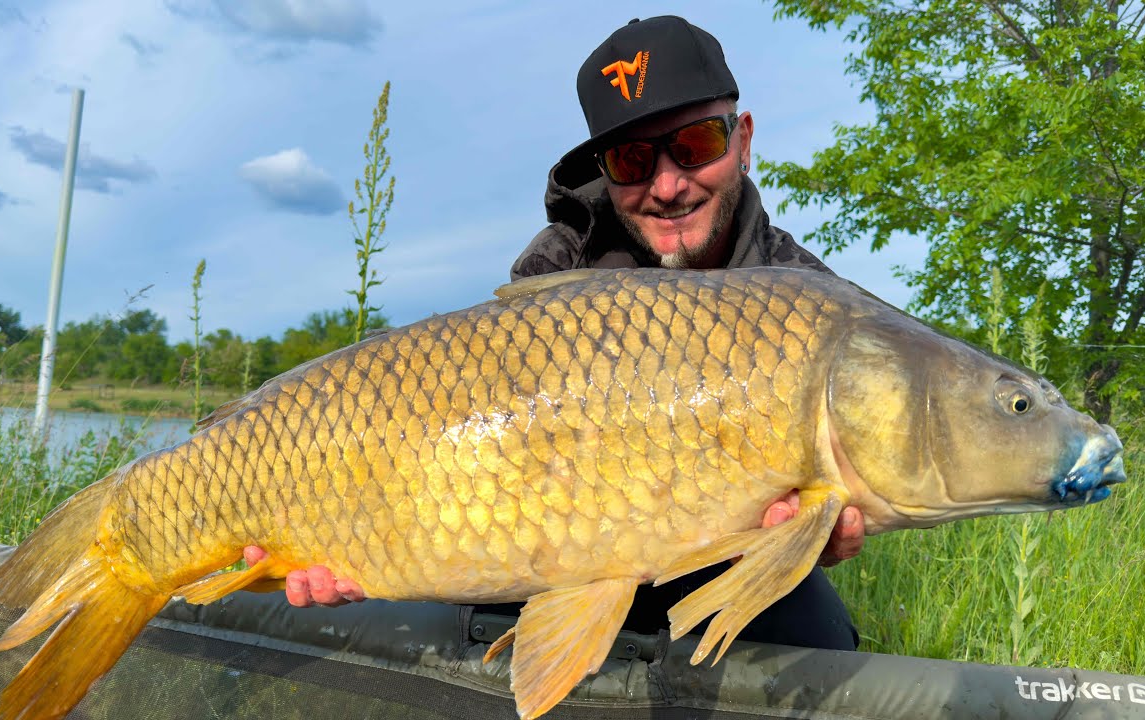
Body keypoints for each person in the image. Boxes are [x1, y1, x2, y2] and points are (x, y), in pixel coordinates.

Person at [247, 15, 864, 651]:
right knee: (470, 622)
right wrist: (369, 546)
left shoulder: (805, 297)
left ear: (744, 139)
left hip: (719, 565)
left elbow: (834, 506)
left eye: (698, 143)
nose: (669, 183)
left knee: (819, 639)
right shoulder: (559, 263)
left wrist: (816, 537)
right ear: (606, 169)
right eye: (631, 159)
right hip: (545, 545)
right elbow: (452, 438)